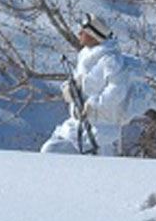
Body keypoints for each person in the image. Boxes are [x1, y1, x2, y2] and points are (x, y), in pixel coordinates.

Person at [41, 13, 140, 156]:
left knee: (99, 173)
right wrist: (69, 89)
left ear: (93, 35)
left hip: (101, 131)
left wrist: (94, 104)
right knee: (50, 150)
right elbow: (82, 83)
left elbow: (117, 90)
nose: (79, 33)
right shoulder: (85, 55)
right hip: (78, 126)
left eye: (83, 31)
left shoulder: (110, 60)